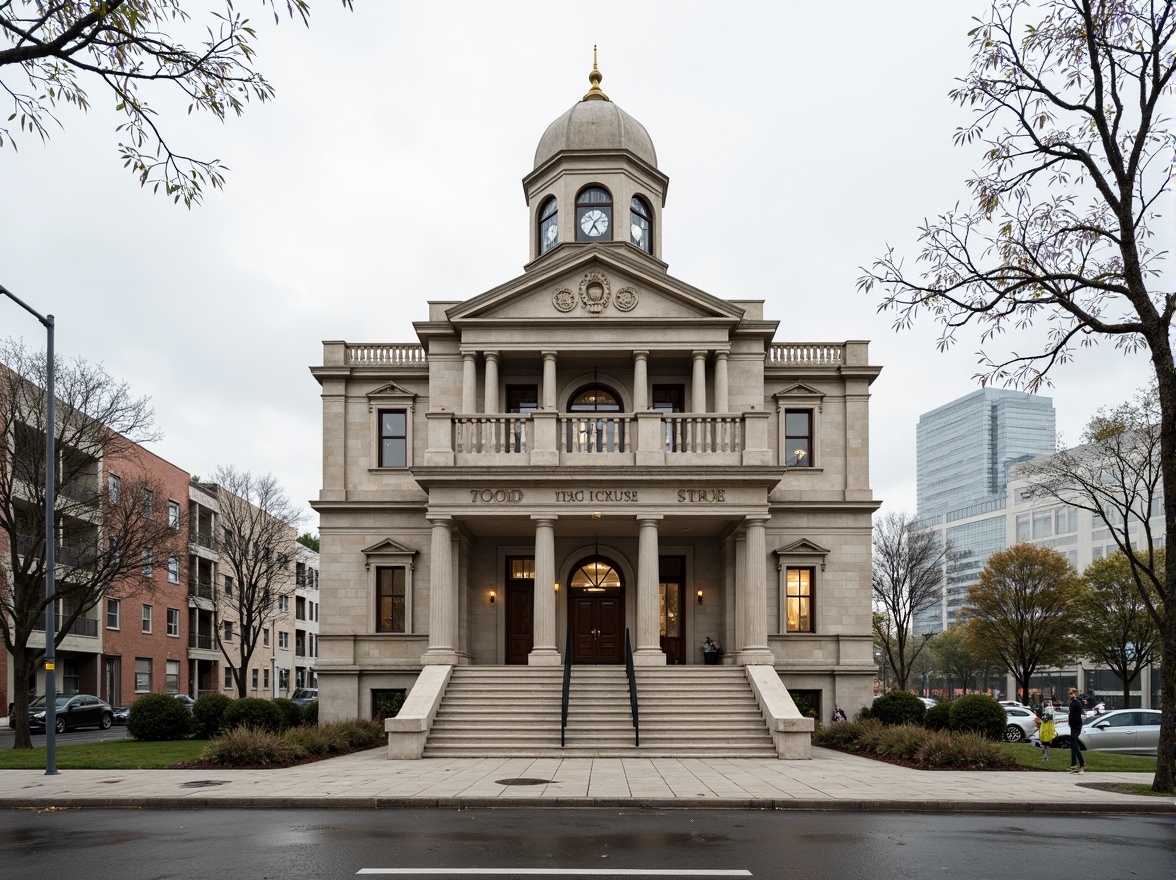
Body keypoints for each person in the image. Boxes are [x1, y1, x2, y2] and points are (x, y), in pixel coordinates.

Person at [1067, 687, 1085, 774]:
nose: (1069, 695)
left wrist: (1073, 723)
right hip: (1073, 726)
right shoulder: (1073, 703)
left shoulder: (1076, 702)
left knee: (1075, 745)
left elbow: (1078, 714)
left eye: (1071, 694)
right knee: (1073, 746)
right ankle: (1073, 765)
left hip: (1076, 726)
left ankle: (1081, 764)